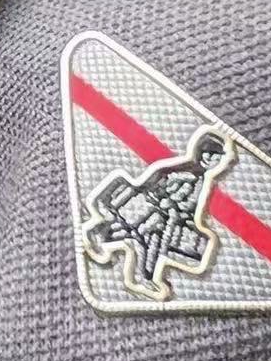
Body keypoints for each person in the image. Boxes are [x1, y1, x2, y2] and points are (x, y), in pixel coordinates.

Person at [82, 129, 235, 302]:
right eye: (213, 156)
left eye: (218, 158)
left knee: (149, 241)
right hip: (153, 211)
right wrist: (169, 206)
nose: (216, 161)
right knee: (148, 239)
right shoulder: (181, 173)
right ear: (203, 154)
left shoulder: (201, 182)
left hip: (166, 220)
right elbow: (158, 187)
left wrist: (181, 217)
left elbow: (188, 209)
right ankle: (143, 274)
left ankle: (142, 272)